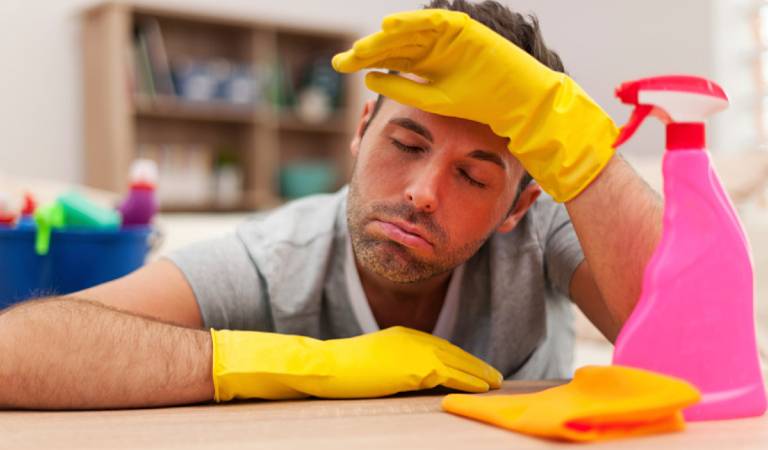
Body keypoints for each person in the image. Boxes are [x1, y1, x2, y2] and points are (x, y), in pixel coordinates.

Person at [0, 0, 661, 409]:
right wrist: (311, 362)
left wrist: (578, 144)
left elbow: (696, 340)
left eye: (475, 178)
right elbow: (17, 350)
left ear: (520, 206)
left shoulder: (545, 234)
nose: (421, 192)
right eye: (405, 142)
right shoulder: (275, 259)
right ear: (361, 127)